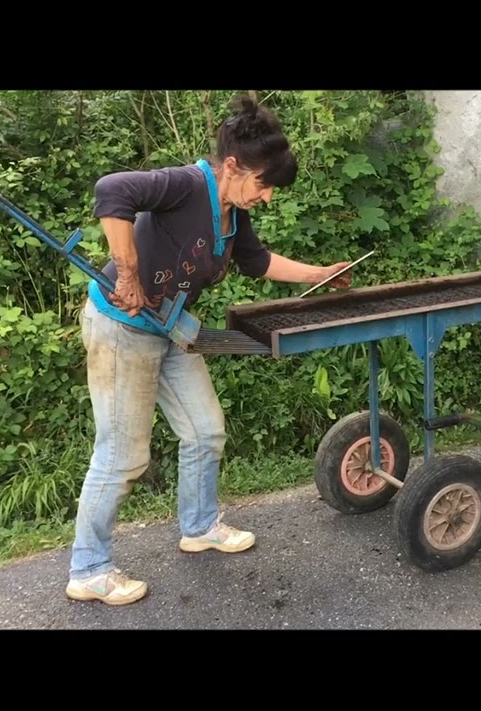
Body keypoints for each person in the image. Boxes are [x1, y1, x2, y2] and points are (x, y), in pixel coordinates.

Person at [64, 95, 356, 606]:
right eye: (262, 184)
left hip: (169, 327)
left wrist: (319, 274)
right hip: (121, 328)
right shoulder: (184, 185)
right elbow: (112, 191)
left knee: (205, 430)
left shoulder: (232, 213)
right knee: (122, 455)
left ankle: (199, 526)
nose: (266, 196)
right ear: (232, 166)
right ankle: (88, 568)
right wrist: (128, 271)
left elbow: (256, 261)